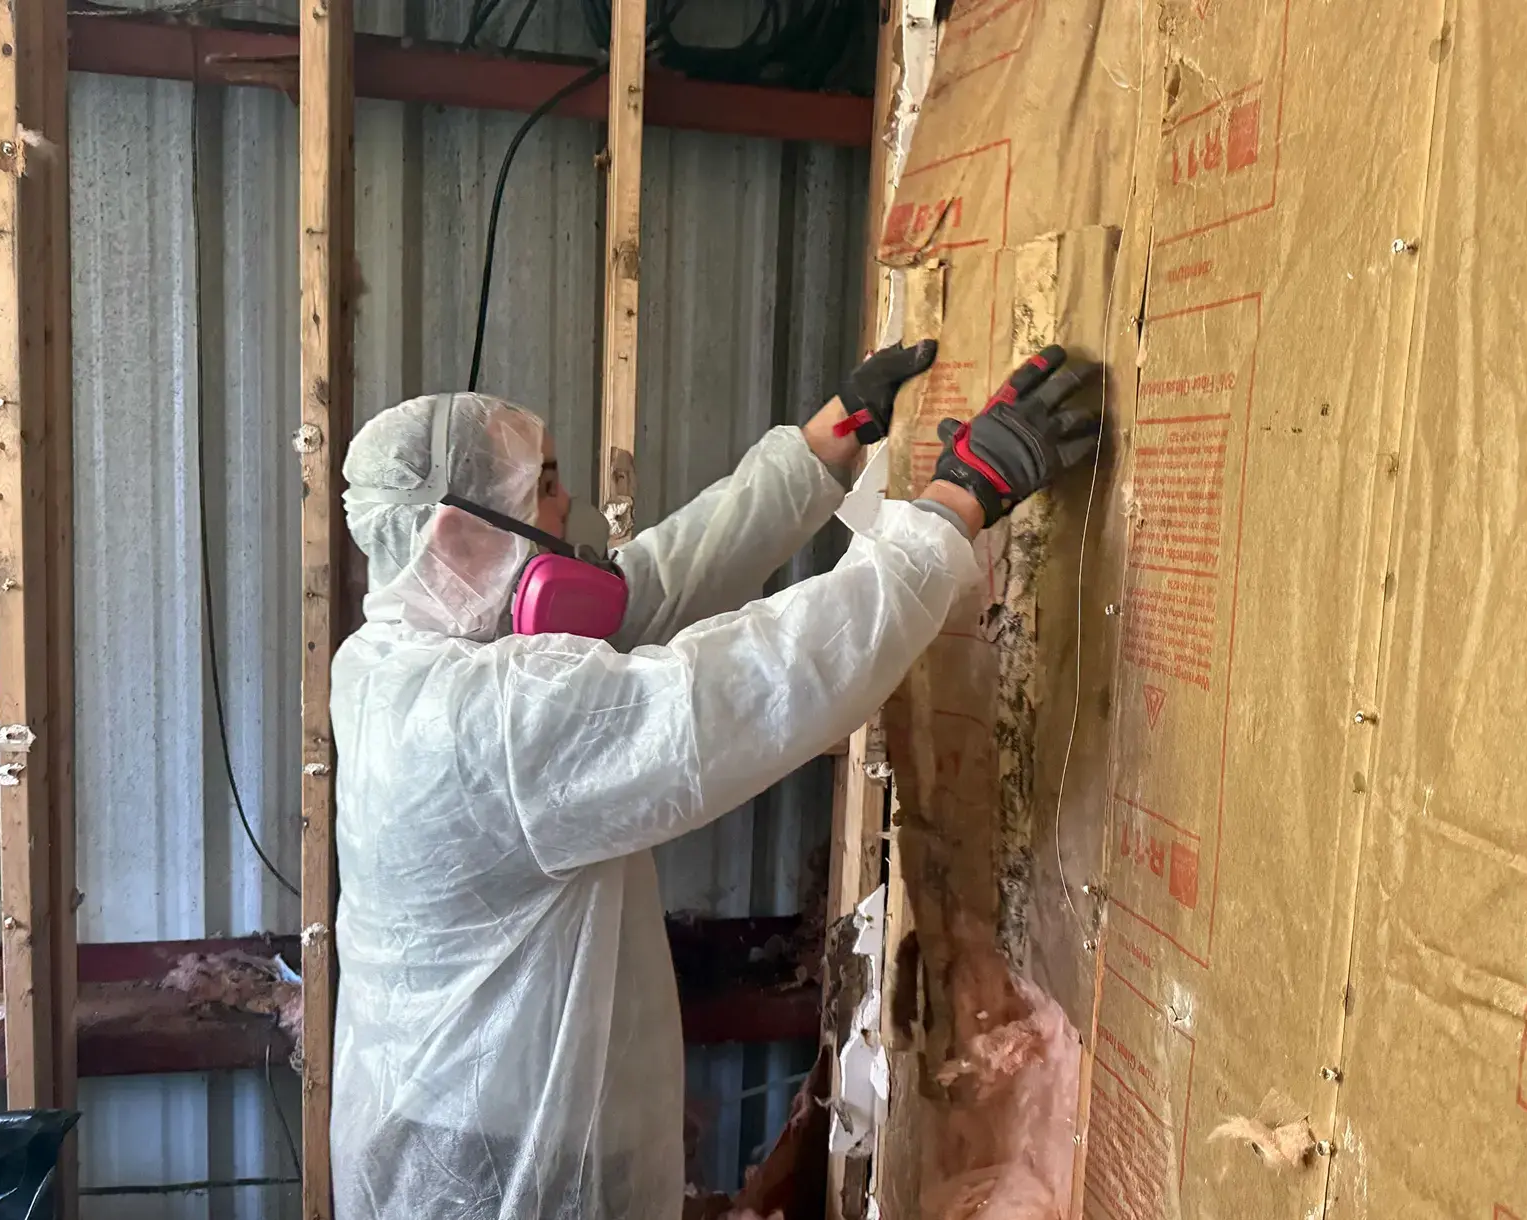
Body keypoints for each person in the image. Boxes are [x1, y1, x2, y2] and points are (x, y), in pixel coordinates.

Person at [329, 342, 1103, 1220]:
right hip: (503, 1165)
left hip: (464, 1115)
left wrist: (822, 447)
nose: (566, 503)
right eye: (542, 484)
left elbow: (645, 590)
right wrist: (954, 507)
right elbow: (750, 686)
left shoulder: (392, 658)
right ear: (460, 535)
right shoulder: (486, 719)